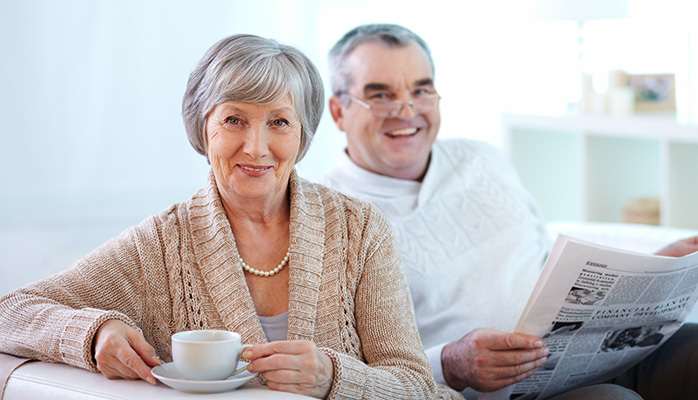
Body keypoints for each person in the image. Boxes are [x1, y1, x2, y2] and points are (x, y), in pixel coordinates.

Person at [0, 34, 461, 400]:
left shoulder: (359, 229)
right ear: (203, 128)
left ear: (302, 136)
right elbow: (9, 313)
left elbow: (414, 385)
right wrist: (93, 331)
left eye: (279, 122)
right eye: (234, 120)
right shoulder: (159, 245)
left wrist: (332, 377)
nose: (256, 147)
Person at [320, 23, 698, 400]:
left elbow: (549, 266)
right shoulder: (331, 217)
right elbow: (344, 367)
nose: (407, 110)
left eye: (421, 90)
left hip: (593, 355)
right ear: (339, 111)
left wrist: (653, 270)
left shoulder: (483, 158)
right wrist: (450, 363)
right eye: (381, 95)